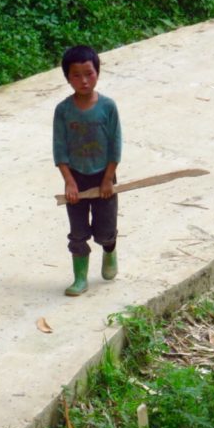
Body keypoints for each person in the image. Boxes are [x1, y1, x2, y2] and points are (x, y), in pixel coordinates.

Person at [53, 45, 122, 296]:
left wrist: (107, 180)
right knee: (78, 232)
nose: (84, 81)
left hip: (104, 176)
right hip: (76, 178)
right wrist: (69, 182)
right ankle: (80, 278)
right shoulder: (63, 111)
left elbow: (115, 146)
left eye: (89, 74)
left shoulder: (108, 107)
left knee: (105, 230)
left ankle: (110, 250)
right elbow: (59, 149)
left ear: (98, 73)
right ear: (67, 78)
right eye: (76, 75)